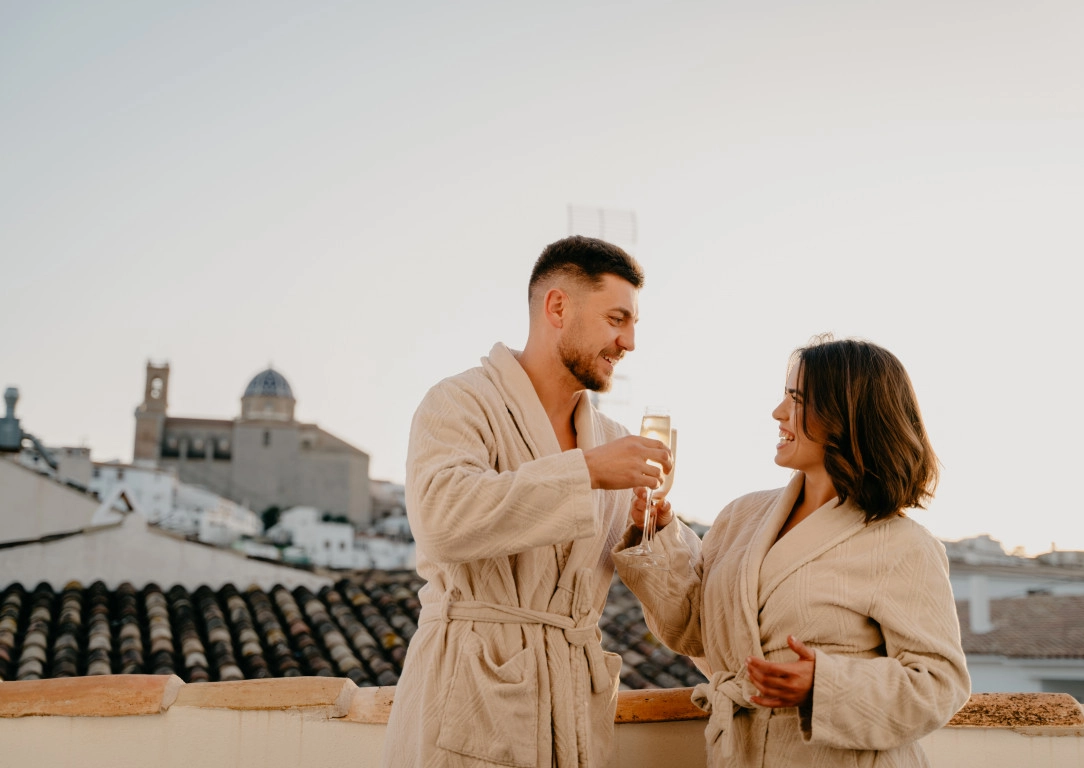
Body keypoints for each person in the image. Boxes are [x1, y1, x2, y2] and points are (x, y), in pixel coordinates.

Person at [382, 235, 673, 768]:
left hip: (572, 710)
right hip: (470, 697)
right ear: (558, 306)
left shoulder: (609, 434)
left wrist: (641, 532)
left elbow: (670, 610)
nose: (629, 342)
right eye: (616, 319)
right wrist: (586, 471)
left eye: (633, 325)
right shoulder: (461, 401)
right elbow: (442, 519)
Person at [613, 336, 971, 767]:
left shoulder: (902, 545)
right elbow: (693, 631)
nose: (778, 412)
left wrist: (825, 685)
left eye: (796, 399)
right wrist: (657, 529)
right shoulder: (742, 516)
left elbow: (939, 684)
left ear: (844, 414)